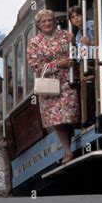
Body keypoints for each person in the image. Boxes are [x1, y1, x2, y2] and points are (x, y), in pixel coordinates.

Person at [27, 9, 79, 164]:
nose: (48, 23)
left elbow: (78, 52)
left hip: (68, 80)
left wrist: (75, 43)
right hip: (50, 85)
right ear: (39, 25)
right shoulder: (35, 43)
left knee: (69, 114)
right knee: (57, 120)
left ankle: (74, 144)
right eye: (44, 21)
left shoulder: (65, 35)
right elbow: (36, 66)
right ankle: (67, 151)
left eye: (50, 20)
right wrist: (58, 64)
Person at [69, 6, 102, 126]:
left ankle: (96, 116)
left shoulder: (93, 25)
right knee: (83, 86)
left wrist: (90, 43)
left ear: (83, 15)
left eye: (78, 15)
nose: (76, 18)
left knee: (93, 85)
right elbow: (80, 57)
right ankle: (87, 117)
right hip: (88, 65)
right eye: (73, 17)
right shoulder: (77, 36)